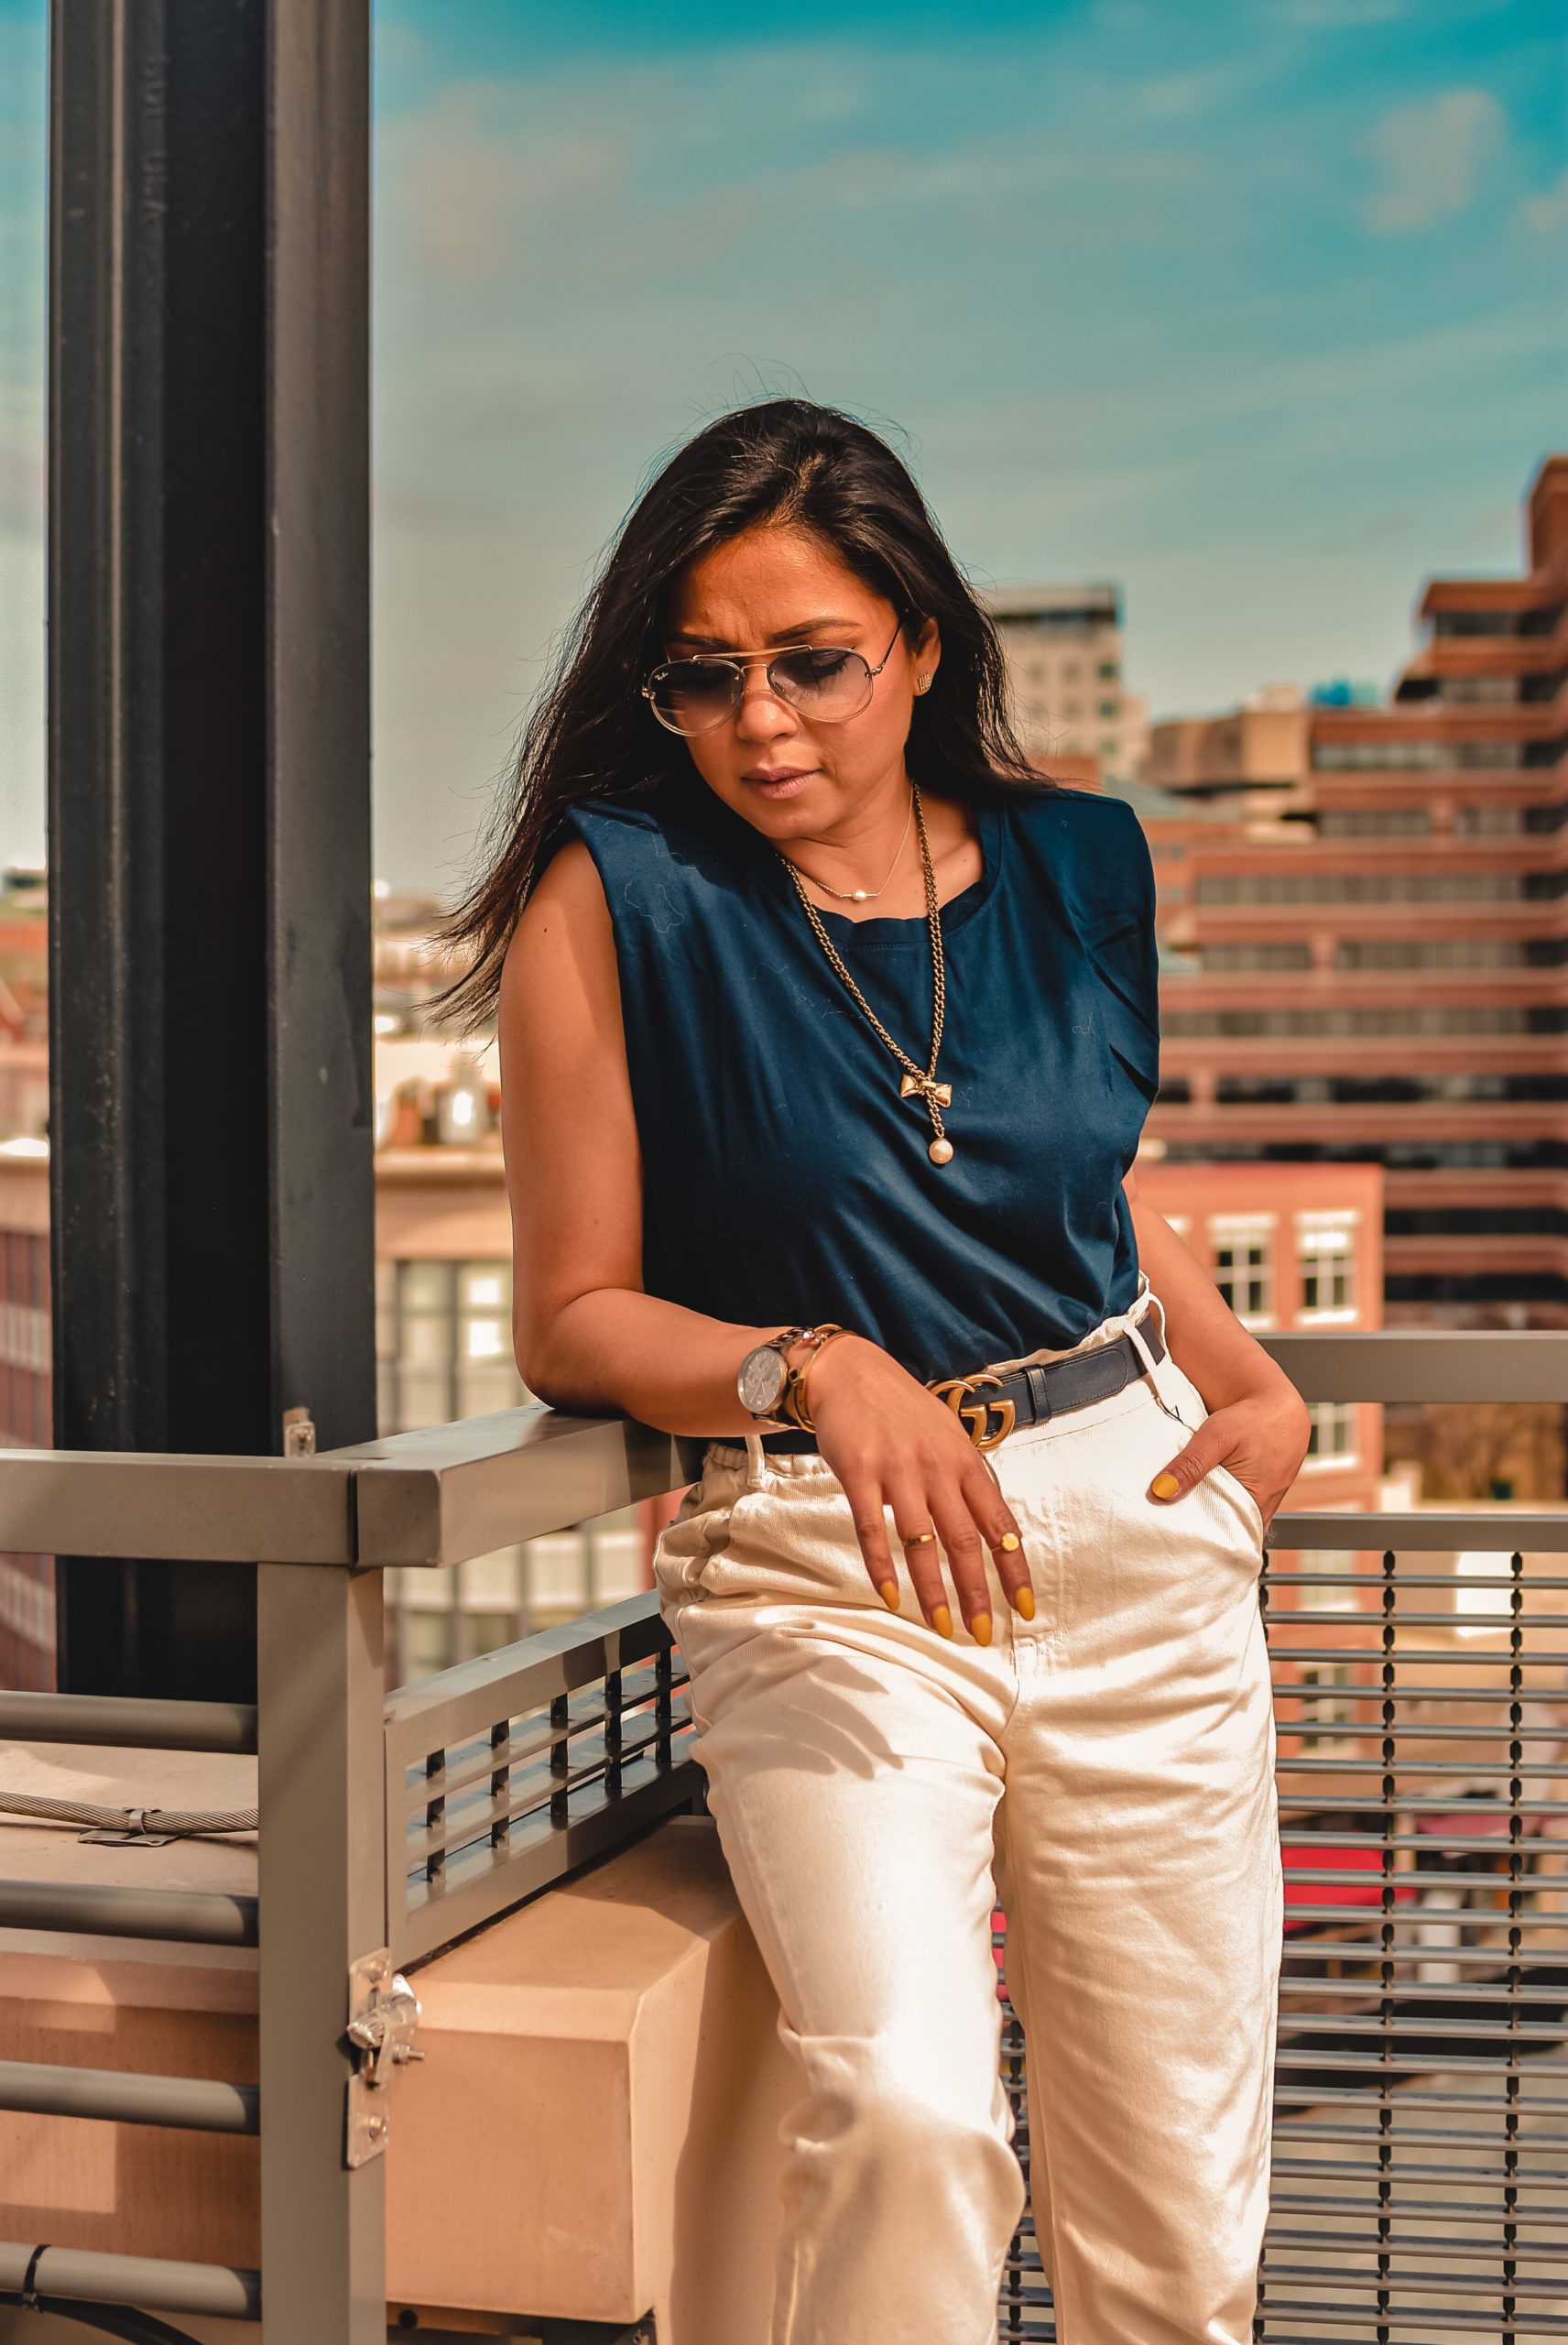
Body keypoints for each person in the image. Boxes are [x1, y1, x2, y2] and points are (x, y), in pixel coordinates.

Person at [451, 398, 1309, 2345]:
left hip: (1139, 1541)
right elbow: (571, 1313)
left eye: (814, 663)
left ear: (919, 644)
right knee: (914, 2111)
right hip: (831, 1572)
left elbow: (1079, 1175)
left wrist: (1241, 1375)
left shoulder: (1079, 860)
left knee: (1176, 2232)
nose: (764, 723)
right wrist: (810, 1366)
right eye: (705, 676)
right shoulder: (622, 897)